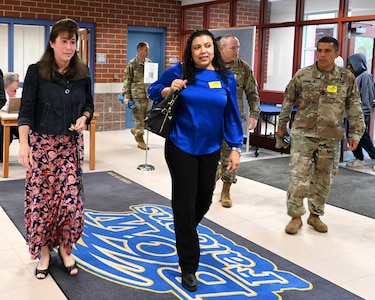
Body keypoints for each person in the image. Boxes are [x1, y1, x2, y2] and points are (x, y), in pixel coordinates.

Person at [148, 29, 243, 292]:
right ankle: (189, 266)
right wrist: (169, 88)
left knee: (201, 201)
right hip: (181, 146)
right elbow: (152, 90)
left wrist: (235, 147)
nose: (203, 51)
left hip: (210, 148)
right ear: (190, 51)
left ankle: (184, 230)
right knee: (184, 203)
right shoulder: (179, 70)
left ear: (215, 49)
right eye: (197, 47)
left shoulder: (226, 78)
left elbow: (231, 114)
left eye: (207, 46)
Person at [18, 18, 94, 279]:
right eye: (63, 41)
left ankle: (65, 249)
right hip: (42, 148)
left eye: (73, 42)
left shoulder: (82, 73)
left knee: (69, 204)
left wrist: (85, 117)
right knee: (43, 204)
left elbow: (89, 106)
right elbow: (26, 111)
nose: (69, 46)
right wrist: (24, 145)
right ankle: (44, 252)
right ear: (52, 43)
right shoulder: (36, 71)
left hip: (70, 148)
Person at [276, 36, 365, 235]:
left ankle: (315, 215)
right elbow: (288, 100)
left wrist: (356, 133)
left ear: (336, 54)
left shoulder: (346, 78)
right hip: (303, 134)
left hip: (331, 136)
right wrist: (281, 126)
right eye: (320, 50)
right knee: (299, 176)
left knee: (324, 178)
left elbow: (354, 107)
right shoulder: (303, 75)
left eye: (327, 51)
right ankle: (295, 216)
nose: (322, 55)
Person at [215, 34, 260, 208]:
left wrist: (254, 114)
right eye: (233, 48)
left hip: (232, 120)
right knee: (209, 155)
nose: (237, 51)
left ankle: (226, 190)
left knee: (231, 156)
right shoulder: (209, 66)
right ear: (221, 49)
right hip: (210, 120)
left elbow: (252, 93)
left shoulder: (243, 68)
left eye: (238, 47)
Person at [346, 53, 375, 171]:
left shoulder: (366, 76)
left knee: (362, 136)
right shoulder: (355, 76)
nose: (348, 68)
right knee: (351, 135)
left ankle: (373, 156)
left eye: (350, 65)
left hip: (361, 113)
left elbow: (367, 96)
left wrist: (364, 112)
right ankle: (359, 158)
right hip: (351, 113)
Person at [122, 41, 152, 150]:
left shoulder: (149, 62)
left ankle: (135, 130)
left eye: (148, 50)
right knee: (139, 118)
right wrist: (126, 95)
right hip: (137, 95)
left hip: (147, 94)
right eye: (145, 50)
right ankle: (140, 139)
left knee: (144, 117)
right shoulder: (132, 64)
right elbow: (127, 80)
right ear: (139, 50)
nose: (148, 52)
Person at [0, 72, 20, 161]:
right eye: (16, 80)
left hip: (17, 118)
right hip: (4, 119)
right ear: (9, 82)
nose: (19, 82)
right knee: (3, 131)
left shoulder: (21, 92)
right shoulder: (2, 94)